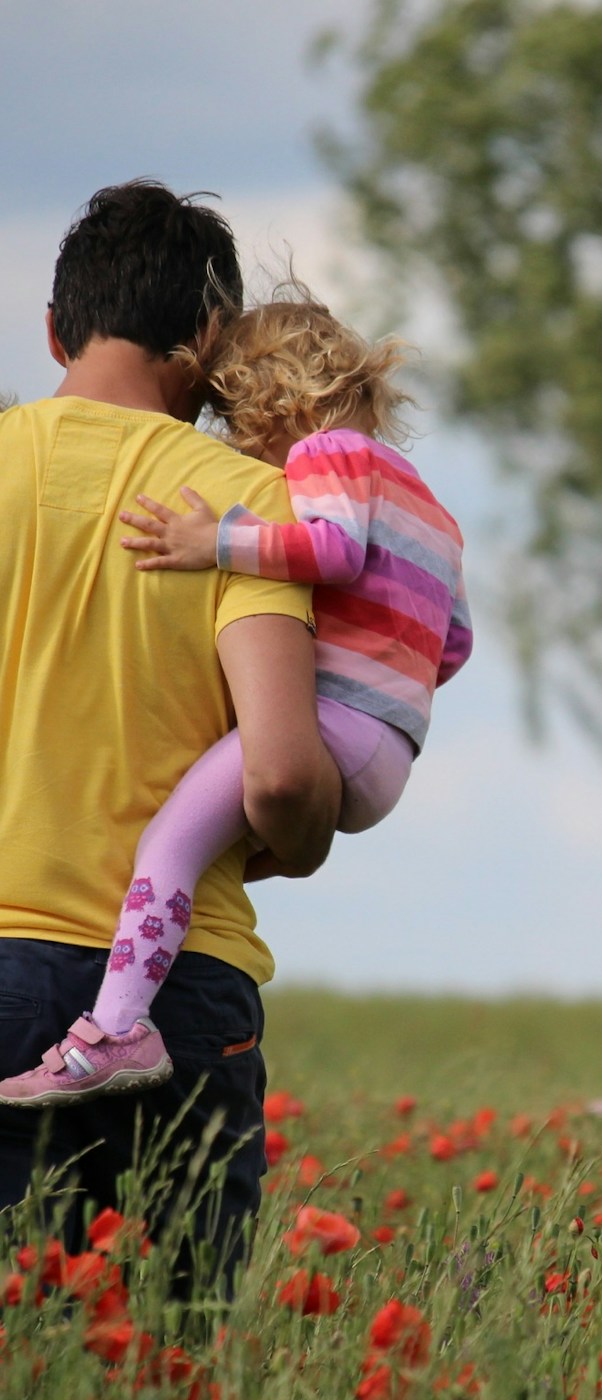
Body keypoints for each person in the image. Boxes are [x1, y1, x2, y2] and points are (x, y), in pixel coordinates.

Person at [0, 296, 472, 1109]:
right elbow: (454, 643)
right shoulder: (430, 505)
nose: (244, 449)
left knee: (169, 845)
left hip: (333, 730)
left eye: (239, 421)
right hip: (390, 747)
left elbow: (329, 548)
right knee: (217, 839)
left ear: (275, 402)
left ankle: (116, 1028)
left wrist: (212, 541)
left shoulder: (325, 457)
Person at [0, 181, 342, 1287]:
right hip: (175, 999)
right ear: (210, 344)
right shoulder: (247, 506)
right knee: (162, 1349)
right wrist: (301, 838)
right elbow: (285, 771)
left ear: (56, 330)